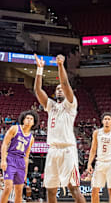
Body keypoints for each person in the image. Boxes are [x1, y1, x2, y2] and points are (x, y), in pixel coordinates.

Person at [33, 54, 86, 203]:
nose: (59, 90)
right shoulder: (51, 106)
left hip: (67, 150)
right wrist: (39, 69)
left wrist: (60, 65)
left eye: (61, 89)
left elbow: (64, 82)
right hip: (52, 150)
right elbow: (38, 90)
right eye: (56, 89)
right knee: (50, 190)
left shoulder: (70, 104)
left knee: (73, 188)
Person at [0, 110, 38, 203]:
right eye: (27, 118)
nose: (29, 120)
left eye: (31, 119)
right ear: (23, 120)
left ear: (34, 122)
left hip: (21, 161)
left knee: (19, 191)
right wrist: (3, 160)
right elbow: (5, 144)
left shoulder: (31, 138)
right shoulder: (15, 128)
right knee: (8, 187)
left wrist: (25, 172)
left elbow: (27, 156)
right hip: (10, 158)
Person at [87, 113, 111, 203]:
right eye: (105, 119)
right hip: (99, 163)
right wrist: (89, 163)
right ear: (102, 121)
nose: (107, 121)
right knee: (94, 190)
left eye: (109, 119)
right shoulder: (97, 133)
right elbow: (93, 149)